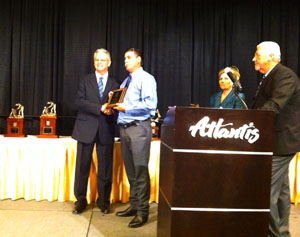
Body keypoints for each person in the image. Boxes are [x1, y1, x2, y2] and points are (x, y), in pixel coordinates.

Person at [252, 41, 300, 237]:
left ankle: (274, 234)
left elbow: (274, 106)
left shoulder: (285, 75)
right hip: (274, 142)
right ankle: (282, 233)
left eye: (257, 54)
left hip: (282, 143)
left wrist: (251, 121)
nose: (253, 58)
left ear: (270, 57)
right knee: (280, 193)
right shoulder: (270, 76)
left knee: (266, 191)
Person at [72, 48, 119, 214]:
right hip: (85, 128)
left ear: (109, 63)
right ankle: (80, 201)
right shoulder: (85, 80)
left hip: (105, 129)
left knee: (105, 168)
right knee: (82, 167)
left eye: (102, 60)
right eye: (97, 60)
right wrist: (100, 107)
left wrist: (112, 110)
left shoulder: (116, 83)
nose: (99, 62)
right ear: (94, 62)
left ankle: (104, 202)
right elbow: (79, 102)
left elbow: (117, 107)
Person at [113, 48, 158, 228]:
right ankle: (133, 205)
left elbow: (150, 105)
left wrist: (127, 108)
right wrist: (113, 105)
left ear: (139, 59)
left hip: (138, 128)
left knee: (140, 172)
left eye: (129, 58)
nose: (125, 61)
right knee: (131, 172)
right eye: (124, 58)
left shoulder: (146, 78)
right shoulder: (126, 80)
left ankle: (142, 212)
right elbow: (123, 104)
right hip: (125, 129)